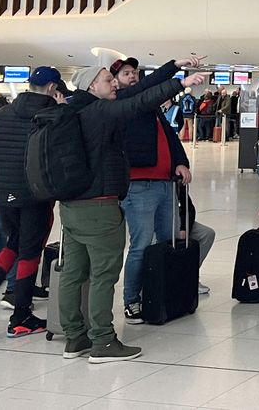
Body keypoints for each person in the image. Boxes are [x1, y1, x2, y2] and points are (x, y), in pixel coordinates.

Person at [58, 65, 206, 362]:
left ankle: (74, 338)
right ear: (91, 86)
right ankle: (103, 341)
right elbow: (138, 101)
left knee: (73, 274)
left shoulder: (72, 111)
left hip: (71, 204)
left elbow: (138, 93)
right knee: (103, 274)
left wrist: (173, 71)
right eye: (108, 80)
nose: (114, 84)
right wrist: (181, 84)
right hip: (98, 205)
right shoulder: (98, 112)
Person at [0, 67, 66, 338]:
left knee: (13, 243)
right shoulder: (51, 114)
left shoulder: (4, 113)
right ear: (52, 88)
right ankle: (21, 317)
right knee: (30, 250)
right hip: (35, 193)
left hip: (4, 192)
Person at [112, 56, 206, 323]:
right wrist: (175, 68)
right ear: (116, 82)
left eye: (135, 72)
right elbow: (149, 85)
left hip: (165, 184)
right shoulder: (123, 104)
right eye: (126, 73)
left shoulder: (151, 110)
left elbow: (170, 138)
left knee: (168, 241)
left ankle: (162, 293)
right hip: (139, 186)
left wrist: (181, 162)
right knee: (141, 245)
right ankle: (132, 301)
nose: (133, 77)